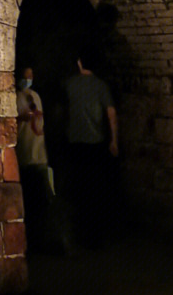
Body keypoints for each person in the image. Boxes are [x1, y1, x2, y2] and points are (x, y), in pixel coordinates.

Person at [59, 57, 118, 246]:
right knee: (96, 188)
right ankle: (96, 235)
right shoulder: (101, 86)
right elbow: (111, 112)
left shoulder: (69, 84)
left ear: (79, 63)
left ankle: (79, 233)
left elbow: (61, 111)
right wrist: (114, 140)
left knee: (78, 188)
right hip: (97, 142)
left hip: (75, 142)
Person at [15, 67, 56, 250]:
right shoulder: (15, 98)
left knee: (43, 200)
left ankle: (42, 239)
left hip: (39, 155)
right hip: (24, 155)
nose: (28, 79)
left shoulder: (36, 96)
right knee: (28, 201)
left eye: (31, 76)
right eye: (25, 76)